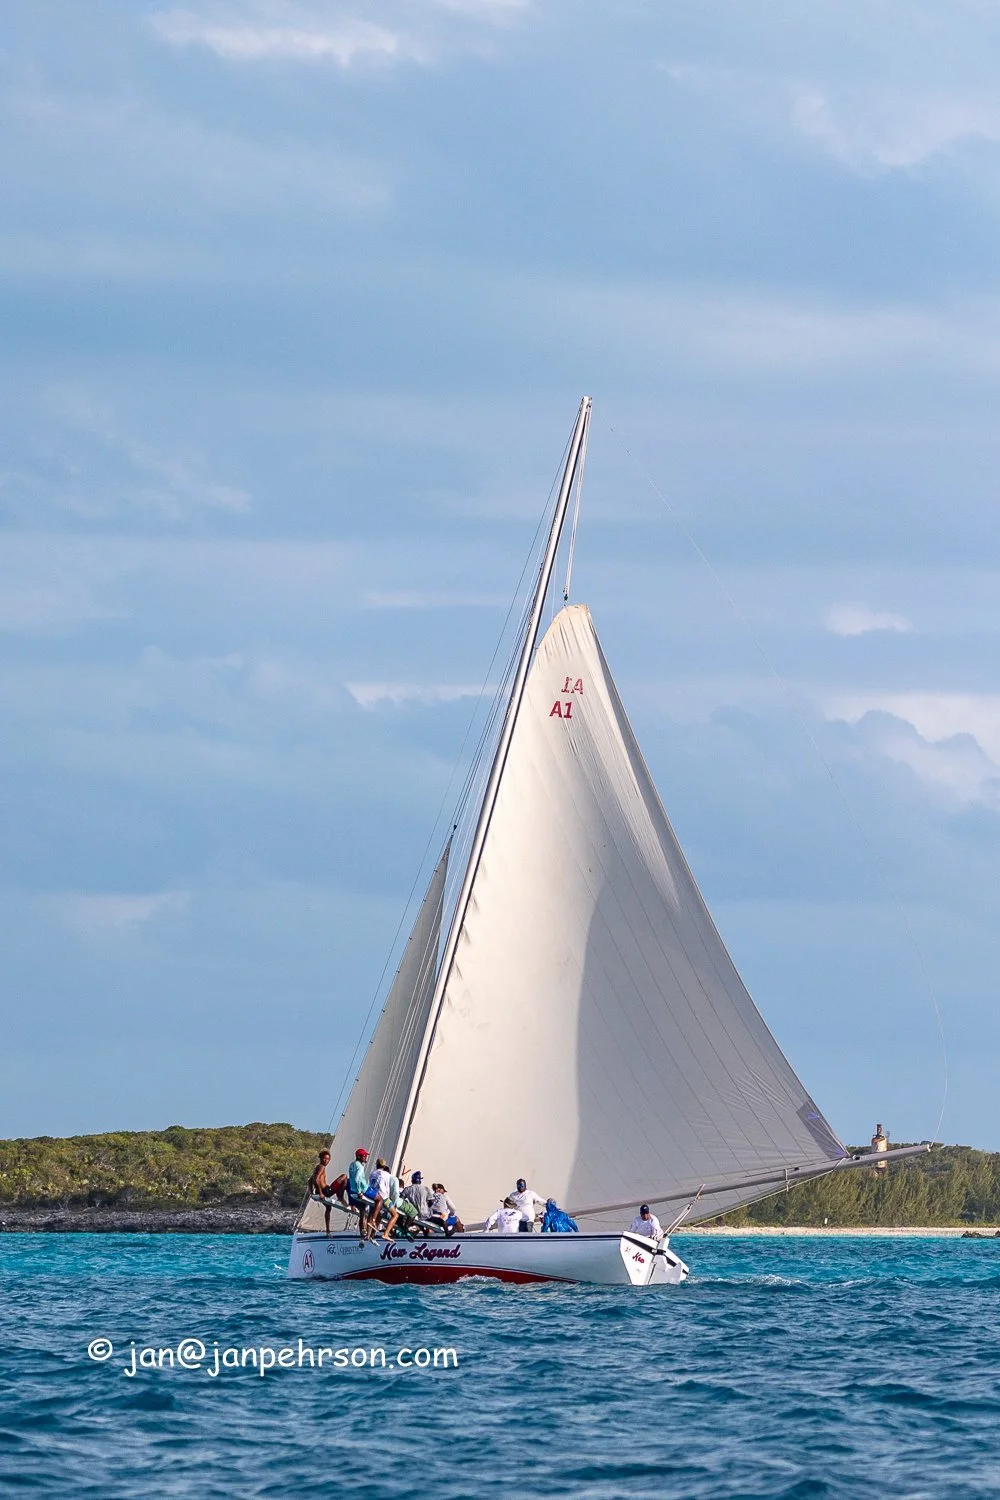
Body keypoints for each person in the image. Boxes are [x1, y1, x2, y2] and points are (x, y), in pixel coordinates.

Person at [308, 1150, 347, 1234]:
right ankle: (340, 1197)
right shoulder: (321, 1167)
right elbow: (316, 1179)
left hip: (323, 1190)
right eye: (325, 1159)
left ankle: (328, 1230)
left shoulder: (317, 1168)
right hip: (325, 1191)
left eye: (328, 1159)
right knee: (344, 1177)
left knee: (328, 1208)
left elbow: (310, 1181)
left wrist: (311, 1193)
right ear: (321, 1158)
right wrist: (321, 1193)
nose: (326, 1161)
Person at [363, 1157, 393, 1240]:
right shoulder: (387, 1175)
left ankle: (367, 1235)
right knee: (382, 1215)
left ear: (376, 1165)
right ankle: (373, 1235)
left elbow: (371, 1184)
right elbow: (387, 1187)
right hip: (383, 1197)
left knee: (371, 1213)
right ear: (384, 1166)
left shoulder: (372, 1173)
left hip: (373, 1195)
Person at [347, 1147, 370, 1238]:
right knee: (365, 1209)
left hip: (352, 1190)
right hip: (360, 1190)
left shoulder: (352, 1164)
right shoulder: (360, 1166)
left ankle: (362, 1230)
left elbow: (352, 1179)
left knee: (362, 1211)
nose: (365, 1157)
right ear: (359, 1156)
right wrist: (360, 1192)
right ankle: (367, 1226)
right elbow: (356, 1179)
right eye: (364, 1156)